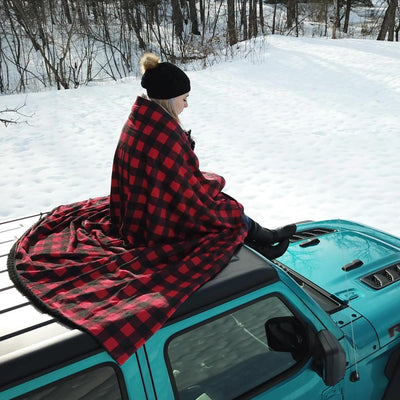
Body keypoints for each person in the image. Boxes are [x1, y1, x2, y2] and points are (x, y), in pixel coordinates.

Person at [110, 53, 296, 260]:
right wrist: (207, 190)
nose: (186, 105)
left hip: (146, 203)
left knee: (217, 200)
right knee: (223, 210)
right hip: (155, 218)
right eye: (184, 99)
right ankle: (260, 242)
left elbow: (174, 175)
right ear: (169, 99)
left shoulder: (143, 118)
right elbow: (185, 189)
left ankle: (260, 237)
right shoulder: (161, 133)